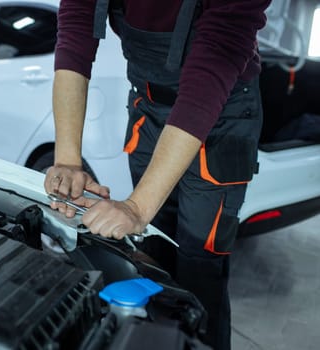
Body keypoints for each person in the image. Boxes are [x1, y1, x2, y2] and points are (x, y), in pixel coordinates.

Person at [43, 1, 271, 349]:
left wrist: (137, 207)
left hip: (221, 115)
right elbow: (76, 30)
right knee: (152, 259)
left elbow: (213, 67)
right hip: (149, 106)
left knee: (199, 272)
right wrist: (68, 160)